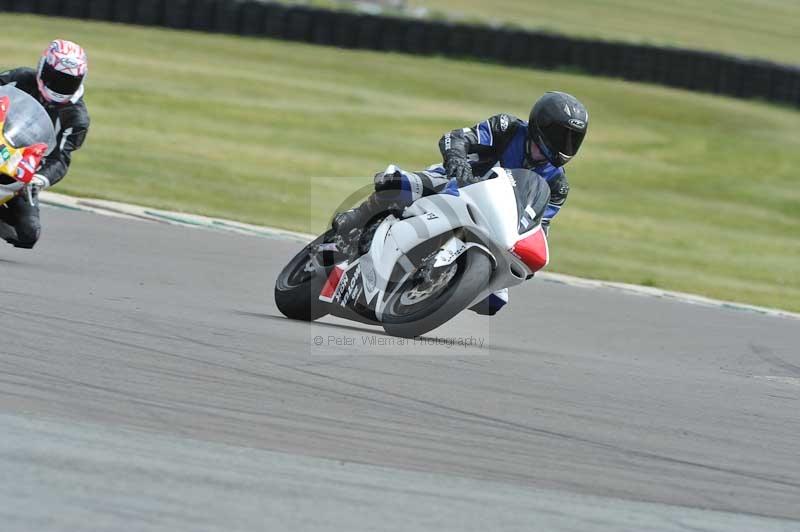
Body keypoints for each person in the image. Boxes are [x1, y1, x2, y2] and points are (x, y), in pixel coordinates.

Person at [332, 91, 589, 315]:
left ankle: (437, 292)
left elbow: (540, 225)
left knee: (494, 302)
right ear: (540, 125)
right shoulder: (507, 128)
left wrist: (528, 255)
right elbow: (455, 137)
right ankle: (355, 218)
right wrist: (457, 160)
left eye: (572, 139)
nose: (565, 145)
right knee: (396, 183)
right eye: (560, 135)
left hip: (493, 224)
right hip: (454, 184)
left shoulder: (557, 185)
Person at [0, 39, 90, 249]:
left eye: (68, 81)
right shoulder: (20, 77)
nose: (60, 85)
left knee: (28, 233)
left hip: (21, 171)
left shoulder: (76, 118)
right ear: (42, 68)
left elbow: (61, 159)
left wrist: (39, 179)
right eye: (55, 77)